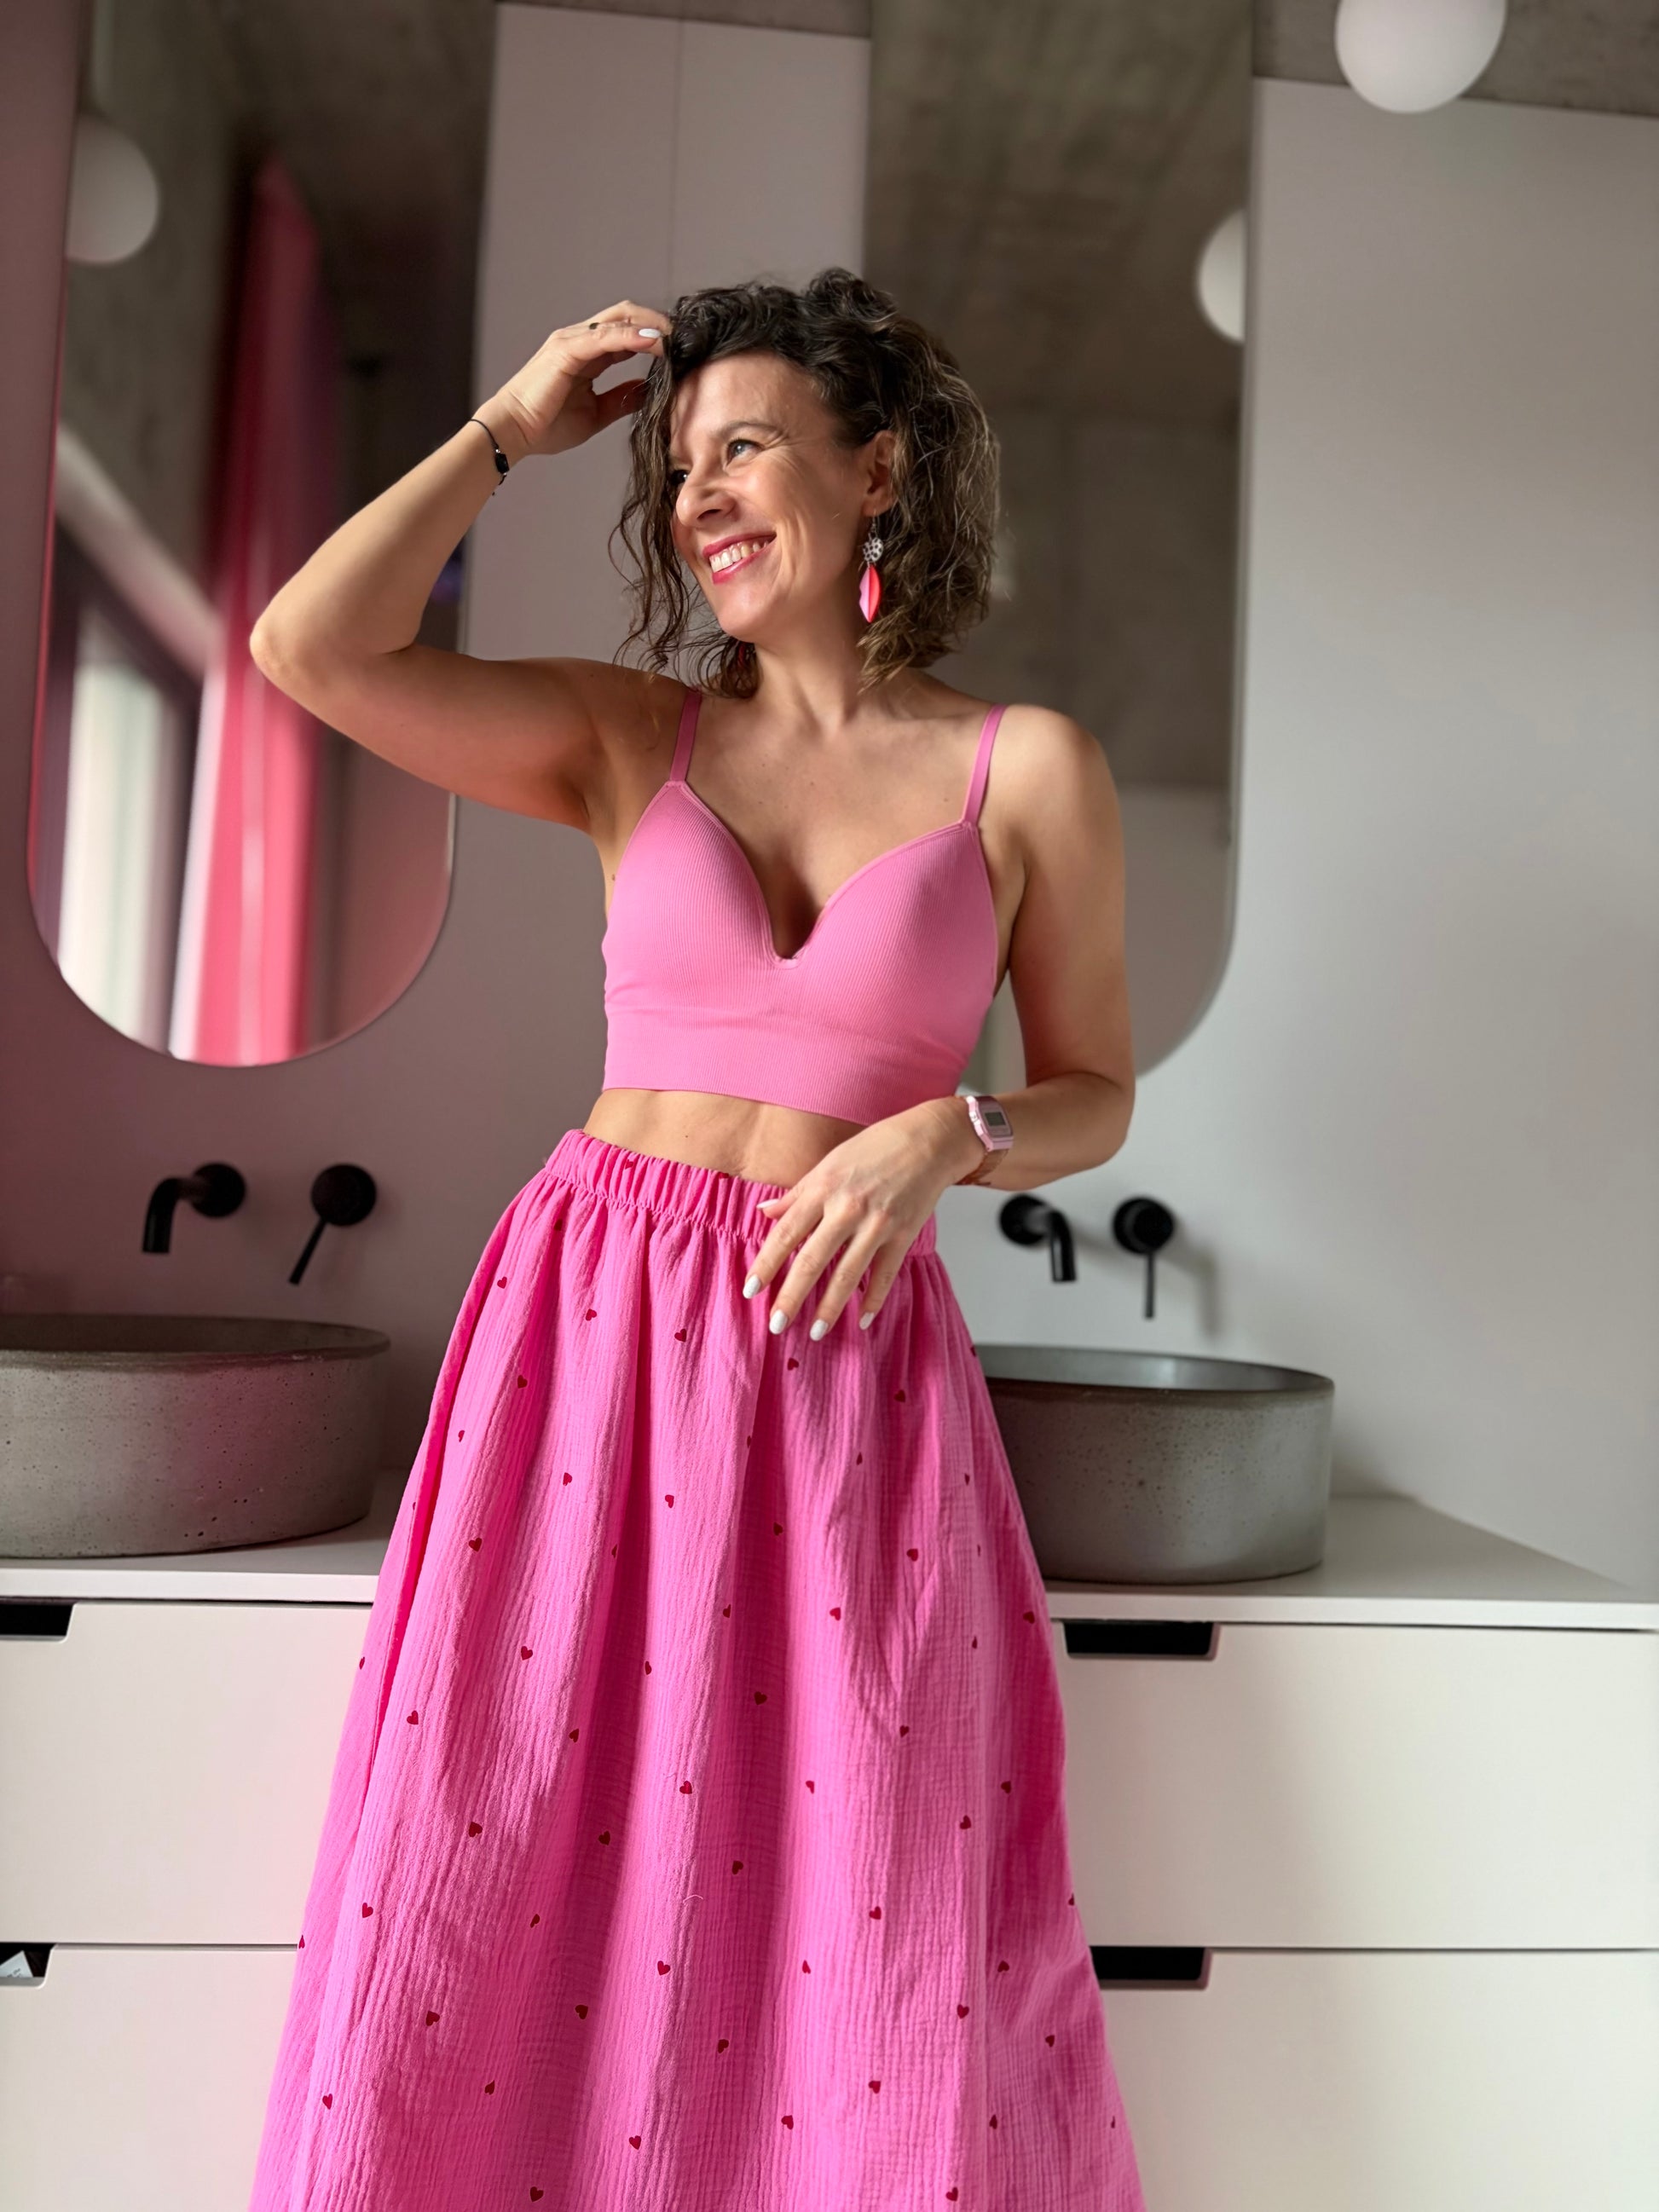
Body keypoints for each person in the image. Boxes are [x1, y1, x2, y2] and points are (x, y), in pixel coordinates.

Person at [244, 267, 1142, 2211]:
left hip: (843, 1366)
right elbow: (308, 644)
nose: (697, 496)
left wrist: (948, 1134)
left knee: (867, 1890)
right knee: (500, 1844)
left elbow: (1092, 1089)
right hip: (586, 1334)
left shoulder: (1026, 769)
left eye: (742, 446)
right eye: (673, 469)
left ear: (876, 470)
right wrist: (508, 431)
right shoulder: (623, 735)